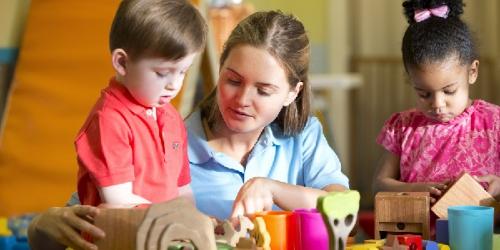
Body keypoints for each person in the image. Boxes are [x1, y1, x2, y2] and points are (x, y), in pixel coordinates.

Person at [186, 10, 349, 219]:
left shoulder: (303, 136)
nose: (242, 100)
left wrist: (274, 190)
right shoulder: (176, 142)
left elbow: (346, 214)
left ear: (292, 93)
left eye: (263, 91)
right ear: (221, 69)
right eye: (233, 81)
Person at [75, 0, 206, 207]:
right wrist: (175, 221)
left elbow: (182, 190)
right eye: (162, 73)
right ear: (122, 63)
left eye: (183, 71)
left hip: (167, 234)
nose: (175, 85)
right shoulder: (109, 121)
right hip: (120, 235)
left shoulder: (171, 117)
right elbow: (118, 202)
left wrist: (194, 222)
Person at [374, 0, 500, 203]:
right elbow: (379, 185)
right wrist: (416, 189)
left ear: (472, 72)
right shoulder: (403, 127)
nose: (437, 104)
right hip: (418, 234)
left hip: (480, 233)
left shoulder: (494, 123)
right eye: (424, 94)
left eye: (449, 91)